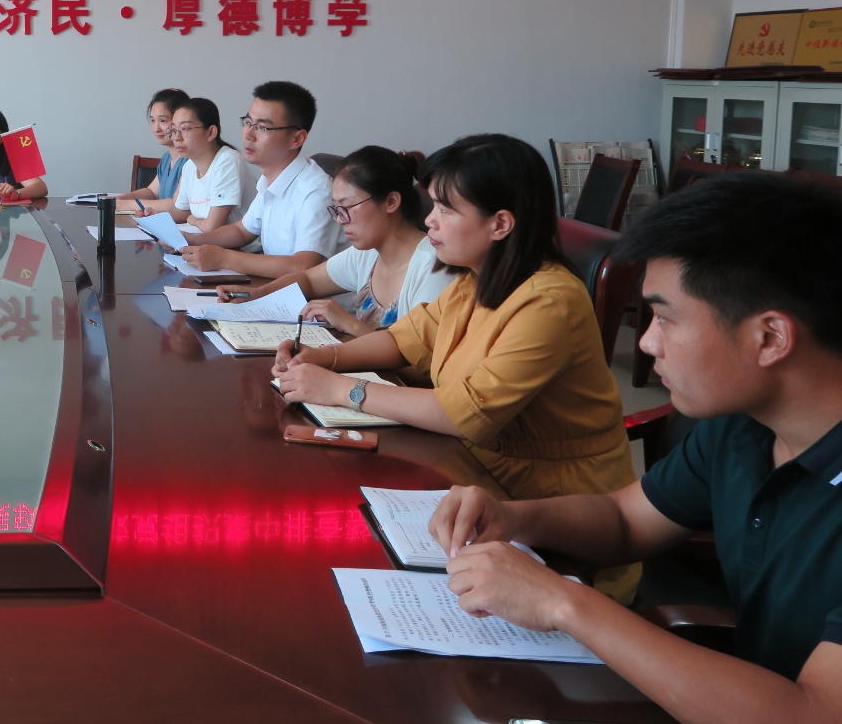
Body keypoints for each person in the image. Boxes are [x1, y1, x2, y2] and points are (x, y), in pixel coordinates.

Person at [429, 173, 842, 721]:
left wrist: (562, 603)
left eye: (665, 318)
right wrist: (512, 517)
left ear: (769, 338)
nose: (646, 342)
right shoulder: (744, 426)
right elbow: (626, 520)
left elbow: (814, 714)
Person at [272, 133, 637, 598]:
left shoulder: (549, 301)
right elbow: (402, 340)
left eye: (445, 209)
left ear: (500, 224)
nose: (429, 220)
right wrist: (325, 356)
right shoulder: (475, 281)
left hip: (557, 516)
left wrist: (343, 390)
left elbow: (463, 412)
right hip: (472, 478)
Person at [221, 146, 455, 337]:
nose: (340, 220)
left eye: (347, 207)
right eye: (337, 209)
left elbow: (420, 367)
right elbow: (308, 280)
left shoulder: (432, 267)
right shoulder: (368, 254)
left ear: (391, 202)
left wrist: (350, 324)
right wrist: (256, 295)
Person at [177, 80, 344, 278]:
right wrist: (192, 240)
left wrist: (224, 258)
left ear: (296, 139)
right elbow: (241, 231)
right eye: (248, 123)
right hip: (277, 287)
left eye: (262, 128)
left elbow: (302, 266)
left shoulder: (316, 191)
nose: (248, 135)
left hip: (307, 296)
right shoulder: (270, 180)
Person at [164, 97, 251, 233]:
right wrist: (151, 217)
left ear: (211, 132)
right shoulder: (189, 166)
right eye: (174, 130)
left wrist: (194, 221)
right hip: (204, 241)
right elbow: (183, 211)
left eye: (185, 129)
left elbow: (212, 227)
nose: (176, 138)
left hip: (238, 245)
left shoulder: (227, 162)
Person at [117, 87, 190, 214]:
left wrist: (131, 204)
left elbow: (176, 204)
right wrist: (120, 199)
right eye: (152, 120)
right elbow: (151, 192)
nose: (156, 128)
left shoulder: (191, 160)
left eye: (163, 121)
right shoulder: (167, 158)